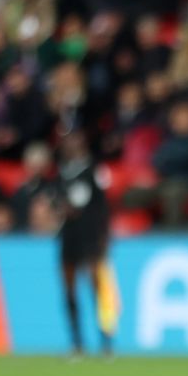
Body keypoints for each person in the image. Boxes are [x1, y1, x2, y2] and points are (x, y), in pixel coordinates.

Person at [56, 130, 116, 356]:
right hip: (69, 236)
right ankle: (77, 342)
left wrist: (104, 236)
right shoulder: (62, 173)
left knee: (97, 289)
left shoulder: (93, 171)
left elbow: (102, 206)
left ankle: (106, 340)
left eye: (77, 141)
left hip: (90, 235)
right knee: (70, 291)